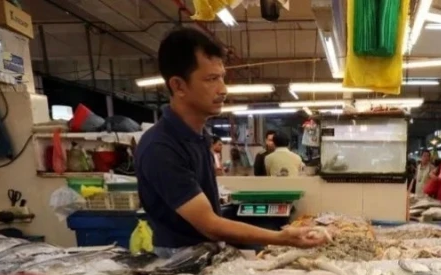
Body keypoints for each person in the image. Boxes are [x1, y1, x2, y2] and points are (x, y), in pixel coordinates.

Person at [134, 28, 325, 256]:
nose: (223, 89)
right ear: (178, 86)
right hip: (179, 260)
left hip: (206, 251)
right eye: (211, 79)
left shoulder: (198, 136)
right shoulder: (161, 147)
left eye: (222, 77)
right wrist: (280, 238)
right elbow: (210, 225)